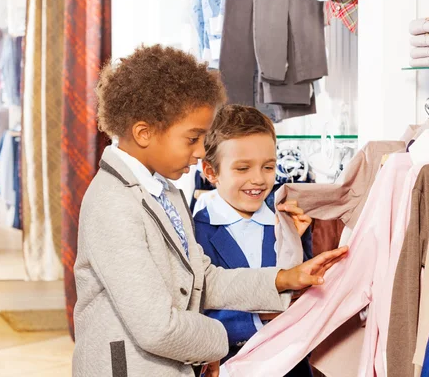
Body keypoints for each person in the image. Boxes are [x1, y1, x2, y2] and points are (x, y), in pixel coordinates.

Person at [72, 44, 348, 377]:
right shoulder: (112, 203)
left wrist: (284, 279)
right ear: (144, 133)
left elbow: (202, 277)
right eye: (192, 139)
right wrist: (220, 342)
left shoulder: (168, 192)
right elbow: (157, 327)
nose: (202, 150)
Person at [194, 104, 314, 376]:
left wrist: (295, 243)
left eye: (268, 167)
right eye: (243, 168)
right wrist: (257, 319)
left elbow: (304, 300)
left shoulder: (286, 224)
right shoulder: (194, 234)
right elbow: (194, 318)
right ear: (211, 172)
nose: (258, 179)